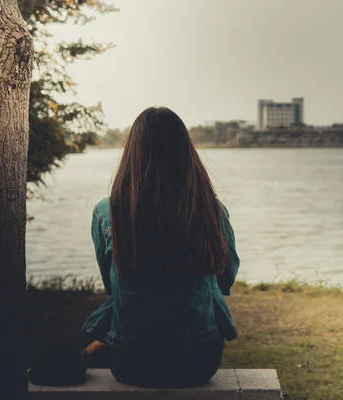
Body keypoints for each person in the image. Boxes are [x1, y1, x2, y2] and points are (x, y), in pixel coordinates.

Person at [66, 107, 239, 388]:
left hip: (131, 362)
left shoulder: (107, 212)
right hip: (199, 360)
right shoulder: (211, 210)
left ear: (132, 153)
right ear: (186, 153)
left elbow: (113, 285)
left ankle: (85, 354)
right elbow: (226, 276)